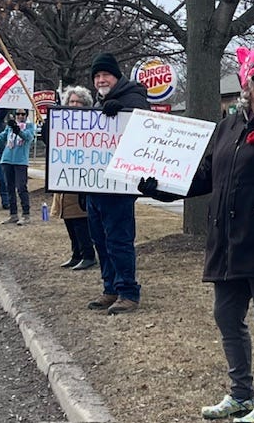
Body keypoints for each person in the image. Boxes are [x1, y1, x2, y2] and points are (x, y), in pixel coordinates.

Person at [138, 45, 254, 423]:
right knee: (226, 316)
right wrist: (162, 188)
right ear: (245, 83)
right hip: (228, 241)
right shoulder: (229, 126)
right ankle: (241, 394)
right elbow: (206, 175)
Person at [86, 52, 150, 315]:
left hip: (119, 186)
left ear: (116, 76)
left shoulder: (133, 97)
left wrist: (122, 112)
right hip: (95, 185)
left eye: (106, 75)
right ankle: (110, 288)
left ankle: (128, 292)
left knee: (118, 240)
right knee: (100, 240)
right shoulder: (98, 103)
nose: (101, 80)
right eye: (97, 76)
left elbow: (144, 124)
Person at [50, 86, 97, 270]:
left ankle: (88, 255)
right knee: (68, 218)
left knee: (79, 219)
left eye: (79, 102)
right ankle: (76, 254)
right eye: (72, 101)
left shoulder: (92, 125)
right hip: (64, 177)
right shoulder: (60, 124)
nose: (75, 104)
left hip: (80, 179)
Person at [0, 109, 35, 225]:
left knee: (21, 187)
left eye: (23, 114)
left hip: (20, 161)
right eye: (18, 114)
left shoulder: (29, 126)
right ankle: (13, 214)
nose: (20, 116)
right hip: (7, 159)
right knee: (9, 187)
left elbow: (28, 137)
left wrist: (17, 130)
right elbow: (1, 138)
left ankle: (26, 214)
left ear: (26, 115)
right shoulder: (9, 127)